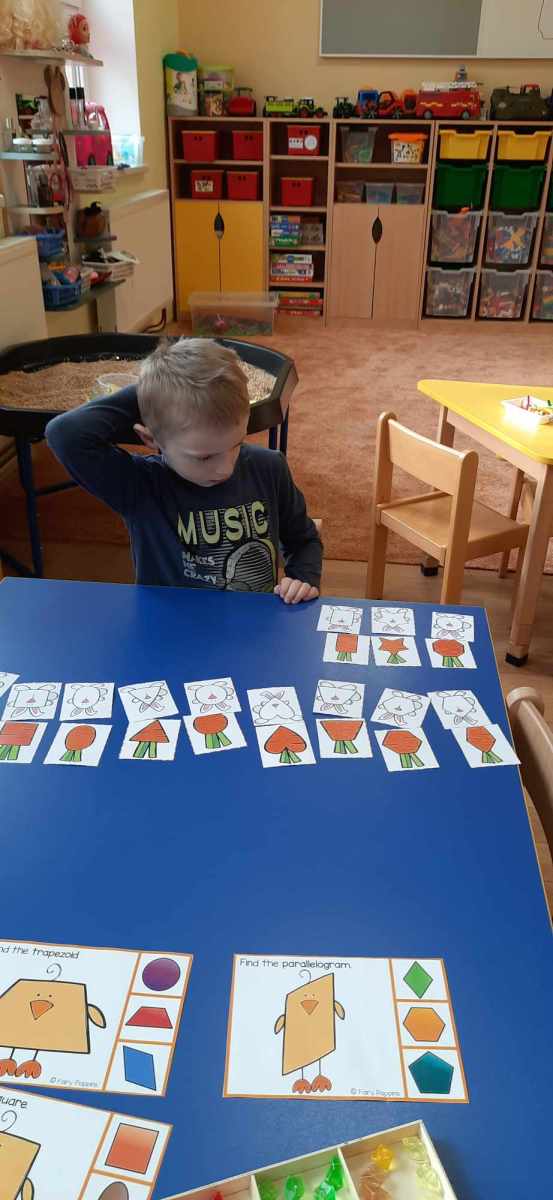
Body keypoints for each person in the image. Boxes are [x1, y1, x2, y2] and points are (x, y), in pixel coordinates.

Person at [46, 337, 322, 602]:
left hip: (254, 622)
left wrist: (302, 579)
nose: (225, 469)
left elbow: (303, 540)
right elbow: (65, 434)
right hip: (171, 626)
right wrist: (156, 397)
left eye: (237, 444)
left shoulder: (270, 467)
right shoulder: (140, 486)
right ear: (150, 439)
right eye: (204, 457)